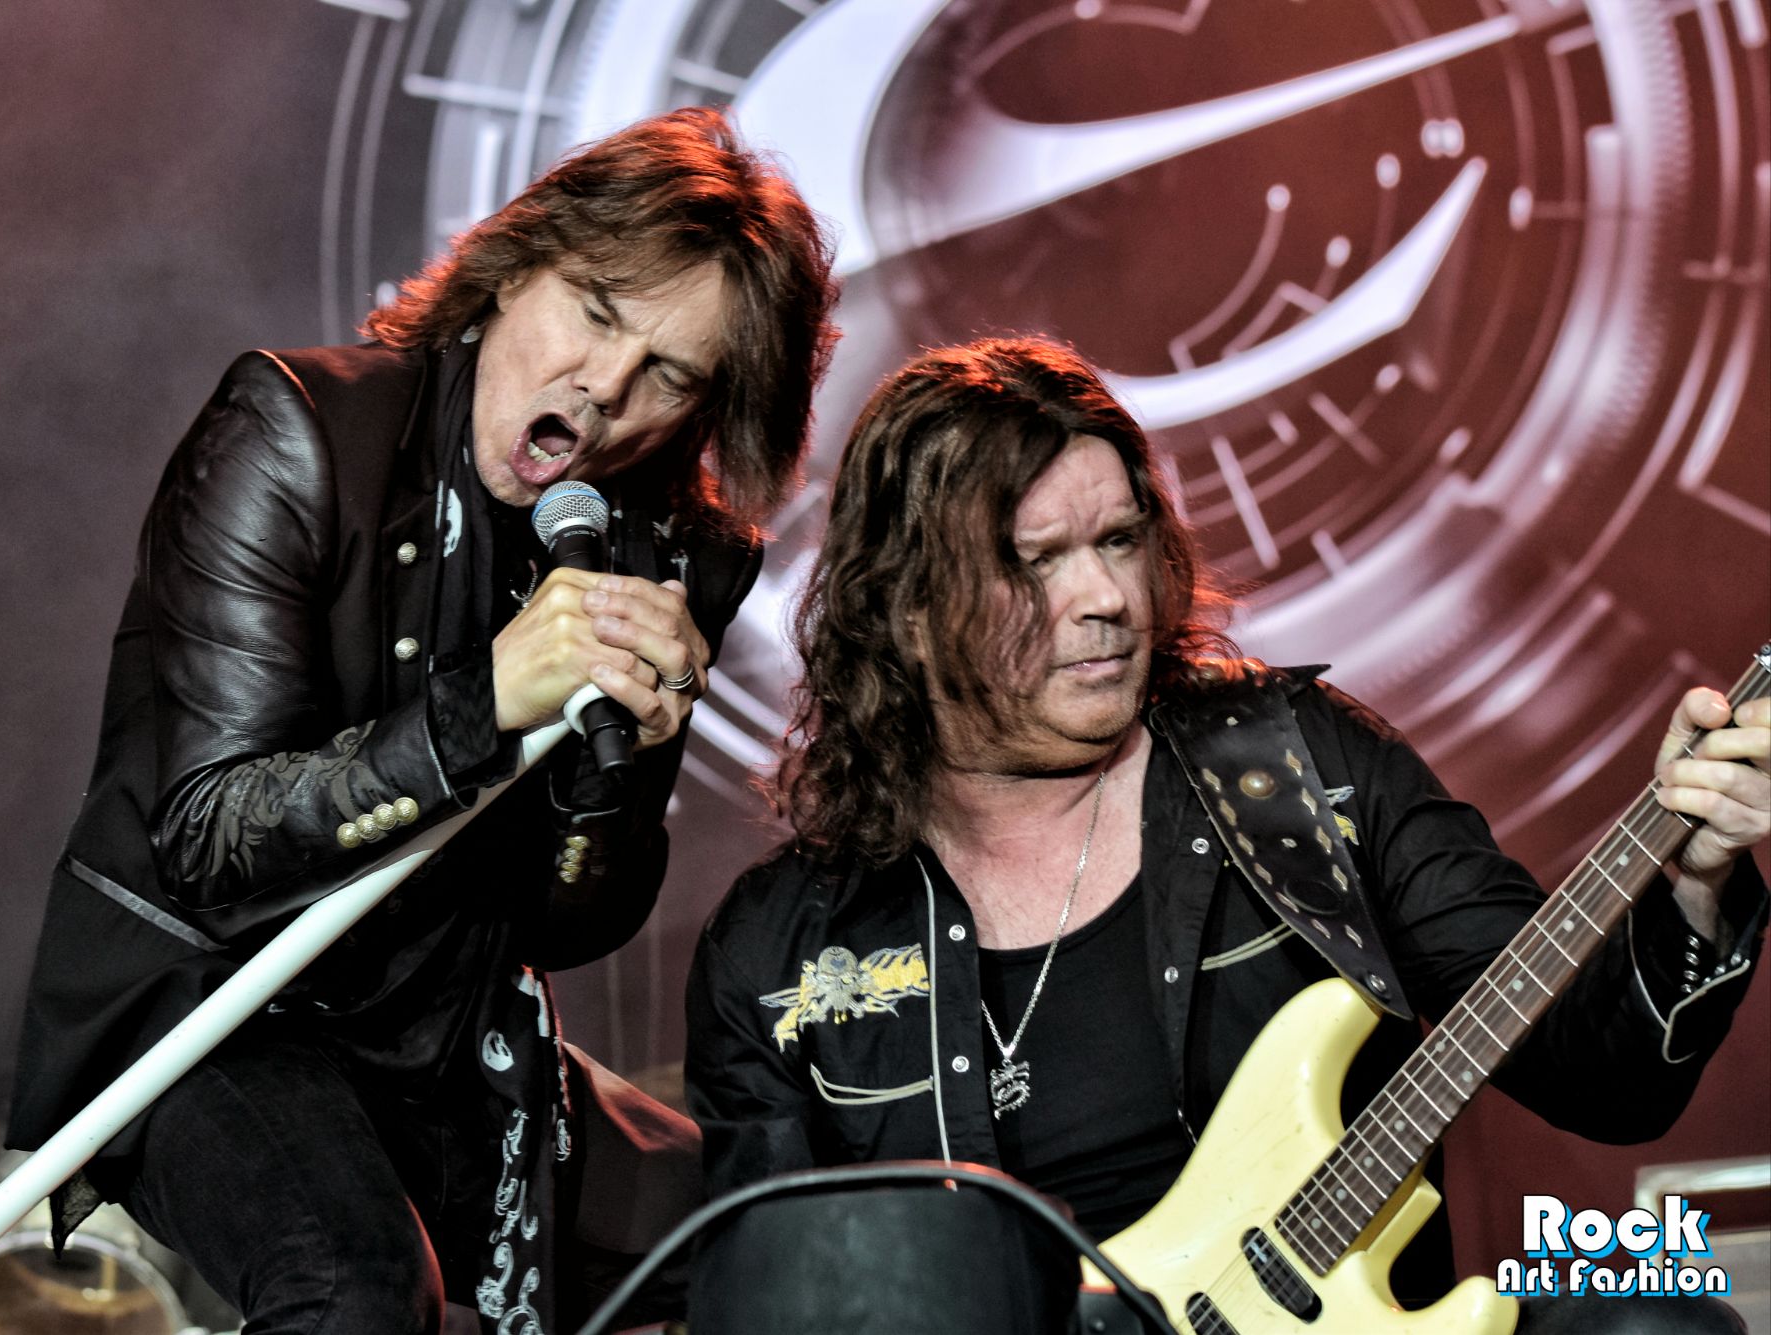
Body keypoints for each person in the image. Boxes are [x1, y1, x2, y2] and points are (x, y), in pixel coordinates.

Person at [684, 337, 1768, 1333]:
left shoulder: (1295, 772)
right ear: (909, 612)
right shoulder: (779, 954)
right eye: (1035, 561)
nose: (1106, 596)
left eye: (1119, 540)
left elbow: (1607, 1080)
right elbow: (763, 1307)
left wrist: (1697, 880)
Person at [6, 106, 838, 1334]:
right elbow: (207, 836)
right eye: (594, 311)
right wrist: (482, 707)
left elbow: (563, 924)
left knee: (810, 1246)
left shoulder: (669, 554)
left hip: (451, 1024)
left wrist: (615, 778)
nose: (604, 387)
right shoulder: (296, 430)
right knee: (355, 1285)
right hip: (215, 1007)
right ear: (512, 269)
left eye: (670, 374)